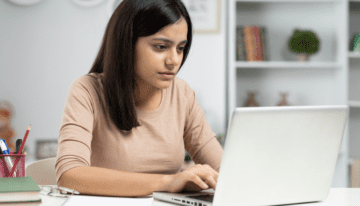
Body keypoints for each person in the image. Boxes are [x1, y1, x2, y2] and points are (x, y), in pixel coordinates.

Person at [55, 0, 223, 197]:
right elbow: (69, 175)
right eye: (161, 47)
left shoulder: (181, 93)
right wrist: (169, 181)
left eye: (180, 48)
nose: (174, 61)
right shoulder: (87, 90)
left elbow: (225, 170)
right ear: (127, 43)